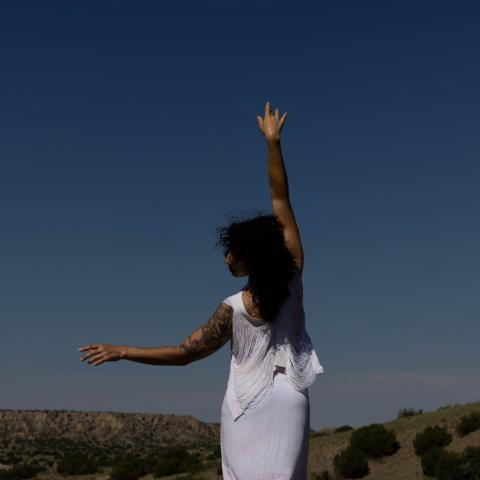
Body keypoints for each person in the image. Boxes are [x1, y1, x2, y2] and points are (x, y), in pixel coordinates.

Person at [78, 101, 325, 479]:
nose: (226, 258)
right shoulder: (294, 275)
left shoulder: (234, 308)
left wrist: (124, 351)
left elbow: (184, 354)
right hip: (291, 401)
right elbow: (281, 199)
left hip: (245, 406)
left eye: (232, 253)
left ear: (249, 259)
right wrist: (273, 143)